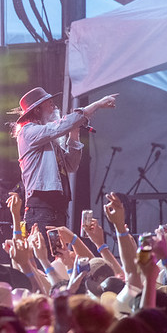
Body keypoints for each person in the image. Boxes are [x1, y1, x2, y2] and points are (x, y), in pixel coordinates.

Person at [11, 88, 117, 230]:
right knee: (44, 251)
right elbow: (57, 127)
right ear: (37, 110)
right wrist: (96, 104)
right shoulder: (28, 132)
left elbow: (71, 165)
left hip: (58, 207)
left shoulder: (49, 141)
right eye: (50, 104)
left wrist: (74, 133)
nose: (54, 107)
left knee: (59, 253)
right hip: (41, 208)